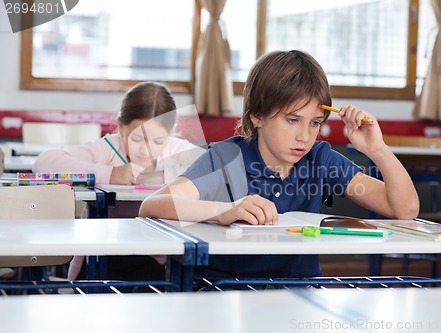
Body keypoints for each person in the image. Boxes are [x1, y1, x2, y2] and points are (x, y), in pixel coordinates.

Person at [138, 50, 419, 284]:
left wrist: (377, 150)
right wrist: (224, 210)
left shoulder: (320, 159)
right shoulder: (227, 157)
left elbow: (404, 210)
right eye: (292, 120)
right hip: (225, 289)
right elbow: (153, 205)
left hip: (298, 290)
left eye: (315, 122)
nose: (304, 136)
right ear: (257, 116)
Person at [33, 81, 204, 286]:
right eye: (137, 138)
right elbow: (43, 162)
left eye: (158, 141)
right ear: (121, 128)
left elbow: (214, 171)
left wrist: (162, 174)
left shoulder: (178, 150)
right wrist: (110, 173)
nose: (145, 150)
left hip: (161, 256)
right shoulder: (110, 148)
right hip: (105, 252)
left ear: (170, 133)